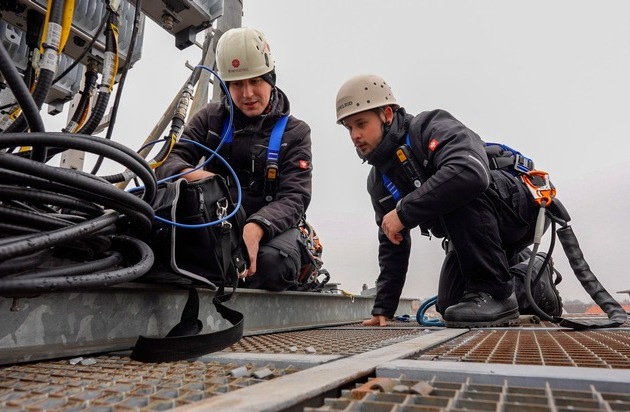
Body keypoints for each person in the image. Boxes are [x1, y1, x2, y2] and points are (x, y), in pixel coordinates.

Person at [334, 74, 561, 328]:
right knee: (451, 304)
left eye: (361, 124)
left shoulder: (429, 126)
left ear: (387, 114)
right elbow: (392, 242)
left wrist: (404, 212)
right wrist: (383, 307)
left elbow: (470, 172)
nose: (354, 135)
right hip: (477, 231)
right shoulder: (379, 181)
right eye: (349, 128)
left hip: (517, 209)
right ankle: (533, 279)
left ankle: (496, 292)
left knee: (454, 185)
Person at [156, 27, 313, 291]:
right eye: (237, 84)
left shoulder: (295, 132)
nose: (247, 94)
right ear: (225, 86)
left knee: (273, 265)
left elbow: (295, 197)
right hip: (220, 223)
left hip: (271, 228)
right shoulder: (210, 119)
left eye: (255, 81)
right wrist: (202, 177)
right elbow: (169, 163)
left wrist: (257, 226)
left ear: (270, 79)